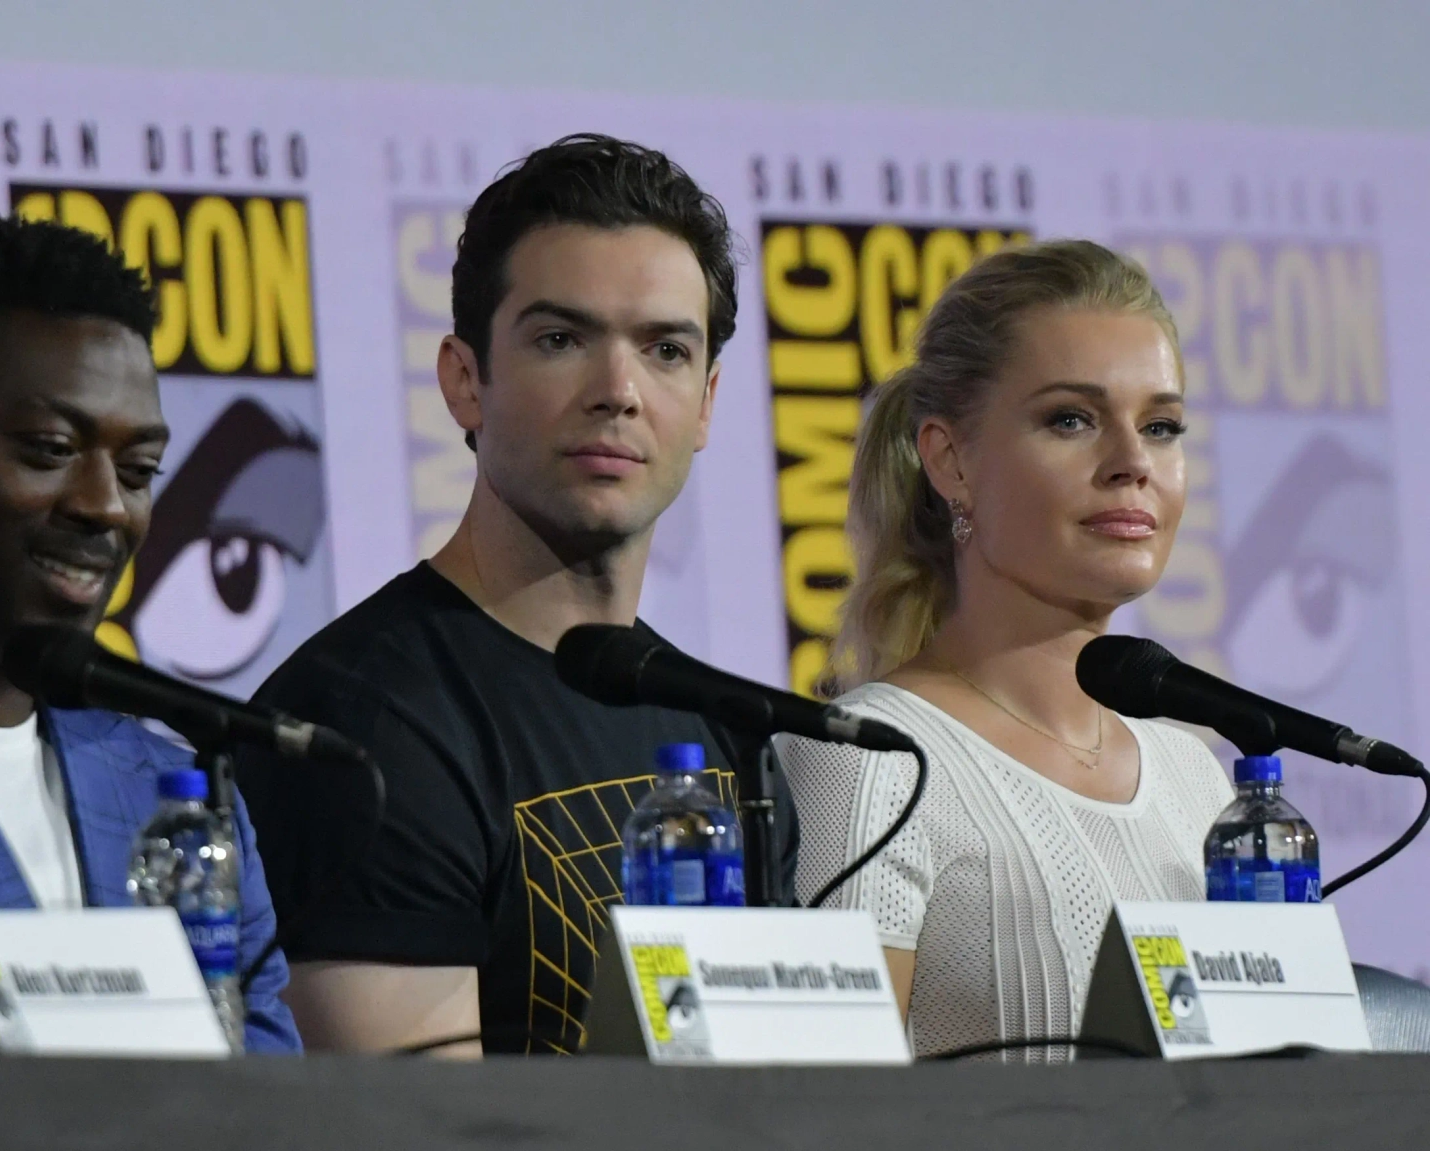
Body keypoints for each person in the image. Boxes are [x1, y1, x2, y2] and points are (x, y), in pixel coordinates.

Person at [237, 134, 746, 1056]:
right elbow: (417, 1145)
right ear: (465, 381)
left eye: (665, 349)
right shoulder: (359, 732)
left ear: (707, 401)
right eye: (561, 339)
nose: (618, 392)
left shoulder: (725, 729)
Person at [0, 215, 299, 1053]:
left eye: (139, 470)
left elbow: (263, 1108)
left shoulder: (179, 794)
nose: (106, 504)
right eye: (49, 449)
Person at [782, 239, 1232, 1061]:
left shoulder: (1195, 776)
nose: (1133, 464)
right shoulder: (867, 760)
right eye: (1072, 419)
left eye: (1161, 426)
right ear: (951, 459)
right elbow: (827, 1134)